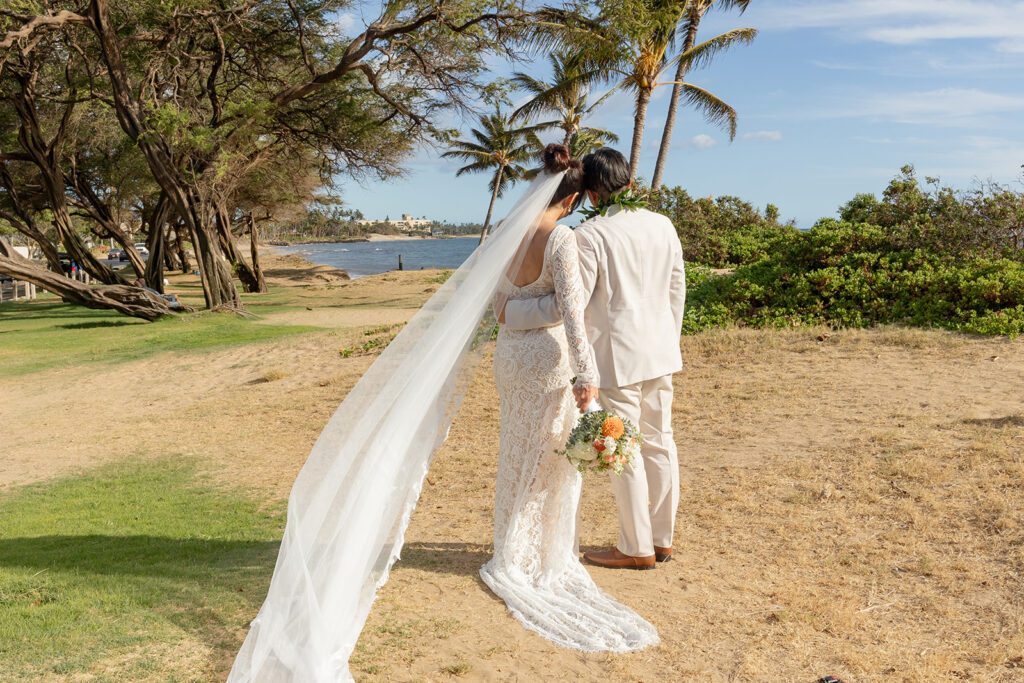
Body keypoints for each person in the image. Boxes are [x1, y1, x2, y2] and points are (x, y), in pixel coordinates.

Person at [482, 144, 659, 651]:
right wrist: (587, 372)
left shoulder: (505, 234)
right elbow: (573, 313)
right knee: (553, 455)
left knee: (517, 448)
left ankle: (510, 546)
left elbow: (498, 309)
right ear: (576, 197)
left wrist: (517, 315)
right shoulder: (560, 239)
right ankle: (540, 555)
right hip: (548, 360)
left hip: (509, 358)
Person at [501, 147, 687, 571]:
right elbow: (677, 289)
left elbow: (570, 305)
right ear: (629, 183)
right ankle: (662, 539)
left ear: (591, 194)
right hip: (661, 351)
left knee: (626, 446)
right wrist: (667, 338)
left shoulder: (592, 235)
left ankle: (636, 546)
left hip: (616, 357)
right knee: (661, 441)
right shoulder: (663, 225)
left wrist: (511, 311)